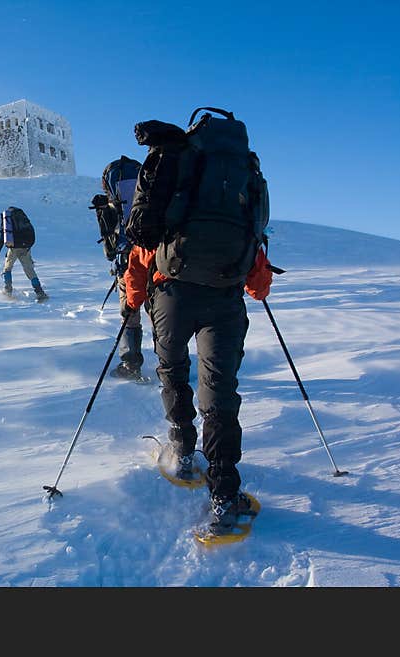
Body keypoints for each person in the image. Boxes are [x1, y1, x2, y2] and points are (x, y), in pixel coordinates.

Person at [122, 113, 274, 535]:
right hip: (224, 298)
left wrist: (134, 300)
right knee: (220, 391)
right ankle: (224, 495)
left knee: (172, 371)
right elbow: (257, 272)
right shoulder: (244, 177)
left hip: (171, 294)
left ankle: (183, 450)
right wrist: (253, 284)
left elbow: (142, 246)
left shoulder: (178, 164)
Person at [91, 155, 146, 381]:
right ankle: (170, 367)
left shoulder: (111, 204)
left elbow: (109, 250)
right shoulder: (149, 193)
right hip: (156, 258)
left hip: (128, 262)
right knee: (161, 314)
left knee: (130, 313)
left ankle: (131, 364)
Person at [0, 206, 48, 301]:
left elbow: (0, 238)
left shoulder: (7, 220)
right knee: (29, 270)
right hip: (25, 247)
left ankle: (8, 290)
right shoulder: (22, 218)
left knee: (7, 268)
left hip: (13, 248)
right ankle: (39, 292)